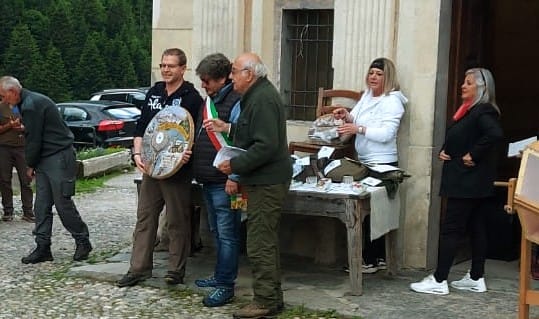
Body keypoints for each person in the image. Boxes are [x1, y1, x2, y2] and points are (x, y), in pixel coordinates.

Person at [204, 52, 292, 319]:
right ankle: (272, 297)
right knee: (264, 241)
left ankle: (264, 301)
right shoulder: (256, 95)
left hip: (267, 181)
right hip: (263, 179)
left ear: (249, 74)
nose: (231, 77)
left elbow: (266, 145)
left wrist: (236, 166)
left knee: (259, 243)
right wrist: (227, 128)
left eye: (234, 71)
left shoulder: (262, 99)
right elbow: (252, 132)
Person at [410, 68, 503, 295]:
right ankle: (475, 277)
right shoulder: (469, 112)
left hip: (466, 183)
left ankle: (439, 280)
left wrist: (474, 154)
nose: (463, 85)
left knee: (451, 229)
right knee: (476, 227)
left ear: (481, 88)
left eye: (469, 83)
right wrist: (445, 150)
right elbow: (461, 137)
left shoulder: (483, 111)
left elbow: (495, 134)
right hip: (471, 183)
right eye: (464, 81)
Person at [117, 48, 203, 287]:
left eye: (171, 66)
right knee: (145, 218)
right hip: (152, 166)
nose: (166, 69)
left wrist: (188, 153)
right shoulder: (154, 92)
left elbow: (196, 133)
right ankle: (139, 268)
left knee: (177, 220)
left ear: (183, 69)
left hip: (177, 170)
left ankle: (175, 270)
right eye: (163, 65)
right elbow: (142, 126)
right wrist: (137, 154)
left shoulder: (192, 97)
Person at [0, 76, 92, 264]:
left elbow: (34, 139)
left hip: (58, 156)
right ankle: (43, 246)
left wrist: (30, 164)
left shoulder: (31, 105)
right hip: (47, 156)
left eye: (3, 96)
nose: (3, 100)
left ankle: (82, 240)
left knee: (62, 202)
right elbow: (37, 131)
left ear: (13, 92)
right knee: (41, 205)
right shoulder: (29, 101)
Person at [333, 57, 407, 273]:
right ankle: (373, 257)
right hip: (365, 161)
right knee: (367, 211)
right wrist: (346, 115)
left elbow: (386, 134)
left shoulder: (392, 101)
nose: (373, 77)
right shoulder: (366, 96)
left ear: (388, 77)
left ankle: (371, 259)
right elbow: (354, 118)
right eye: (371, 73)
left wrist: (359, 130)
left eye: (379, 74)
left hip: (383, 163)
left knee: (375, 212)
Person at [191, 53, 242, 307]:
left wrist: (234, 176)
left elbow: (241, 143)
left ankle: (225, 285)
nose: (203, 85)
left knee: (228, 234)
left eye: (207, 80)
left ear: (222, 79)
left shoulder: (236, 101)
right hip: (208, 178)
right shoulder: (209, 101)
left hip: (225, 180)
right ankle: (220, 275)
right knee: (216, 232)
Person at [0, 100, 34, 222]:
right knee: (4, 180)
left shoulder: (24, 106)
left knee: (26, 180)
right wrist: (9, 126)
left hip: (22, 148)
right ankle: (8, 211)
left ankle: (28, 212)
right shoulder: (1, 107)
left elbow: (33, 126)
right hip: (4, 148)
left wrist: (23, 128)